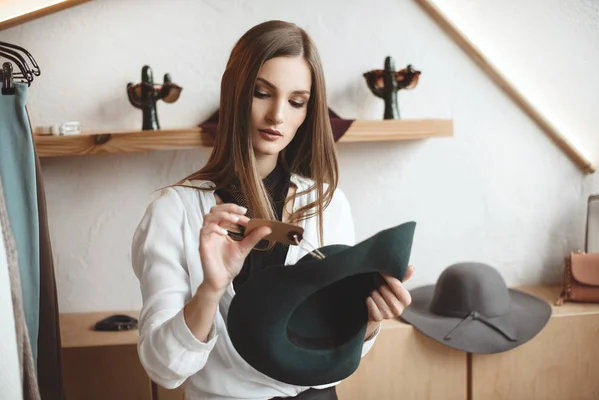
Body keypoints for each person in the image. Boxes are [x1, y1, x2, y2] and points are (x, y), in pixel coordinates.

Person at [131, 19, 414, 400]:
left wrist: (368, 320)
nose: (278, 115)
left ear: (307, 112)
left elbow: (335, 350)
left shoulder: (329, 205)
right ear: (235, 94)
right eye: (262, 93)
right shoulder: (174, 211)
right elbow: (163, 369)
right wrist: (210, 290)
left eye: (296, 102)